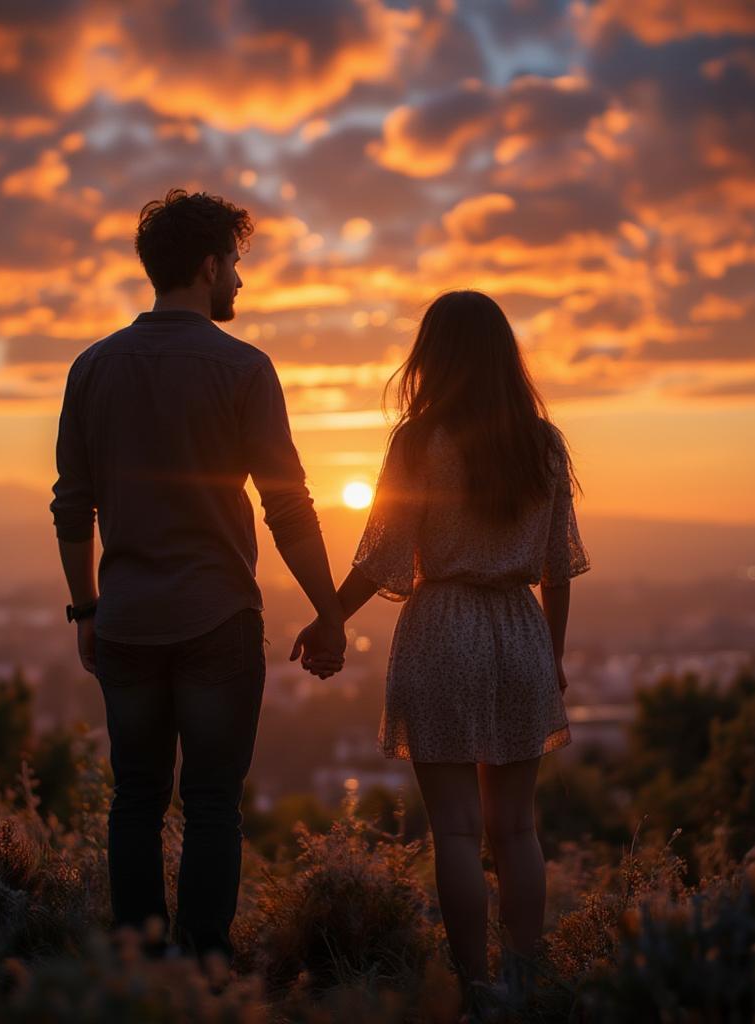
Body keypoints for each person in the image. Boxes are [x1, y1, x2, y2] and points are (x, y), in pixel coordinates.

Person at [50, 188, 346, 978]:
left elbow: (72, 507)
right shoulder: (243, 369)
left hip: (127, 623)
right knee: (212, 803)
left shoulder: (92, 368)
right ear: (210, 265)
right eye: (237, 266)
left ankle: (141, 974)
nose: (240, 285)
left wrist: (85, 609)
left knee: (135, 800)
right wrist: (329, 610)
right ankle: (208, 975)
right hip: (218, 618)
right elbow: (287, 504)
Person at [291, 289, 590, 1018]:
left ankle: (475, 986)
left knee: (455, 829)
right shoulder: (542, 444)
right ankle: (525, 978)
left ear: (434, 358)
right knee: (517, 827)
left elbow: (384, 556)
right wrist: (550, 656)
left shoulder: (419, 442)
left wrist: (329, 619)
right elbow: (557, 569)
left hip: (441, 630)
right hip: (519, 632)